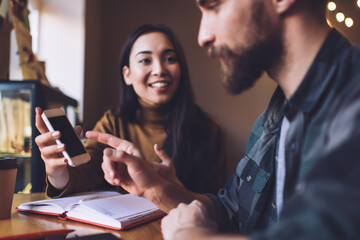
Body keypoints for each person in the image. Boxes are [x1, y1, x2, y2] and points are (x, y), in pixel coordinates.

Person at [84, 0, 360, 239]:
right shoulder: (272, 119)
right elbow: (230, 208)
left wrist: (192, 237)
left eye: (214, 6)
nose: (203, 36)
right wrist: (155, 189)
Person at [34, 24, 227, 198]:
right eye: (145, 60)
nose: (159, 69)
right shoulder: (113, 123)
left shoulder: (209, 130)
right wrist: (57, 172)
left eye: (169, 59)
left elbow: (221, 205)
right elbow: (86, 171)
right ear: (127, 74)